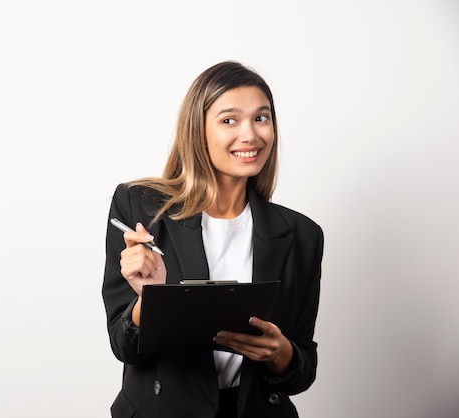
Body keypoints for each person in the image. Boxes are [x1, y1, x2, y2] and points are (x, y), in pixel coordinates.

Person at [102, 61, 324, 418]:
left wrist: (279, 352)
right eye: (229, 120)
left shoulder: (302, 235)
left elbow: (302, 368)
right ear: (197, 130)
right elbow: (122, 344)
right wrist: (151, 297)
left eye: (261, 118)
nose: (250, 134)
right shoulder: (140, 206)